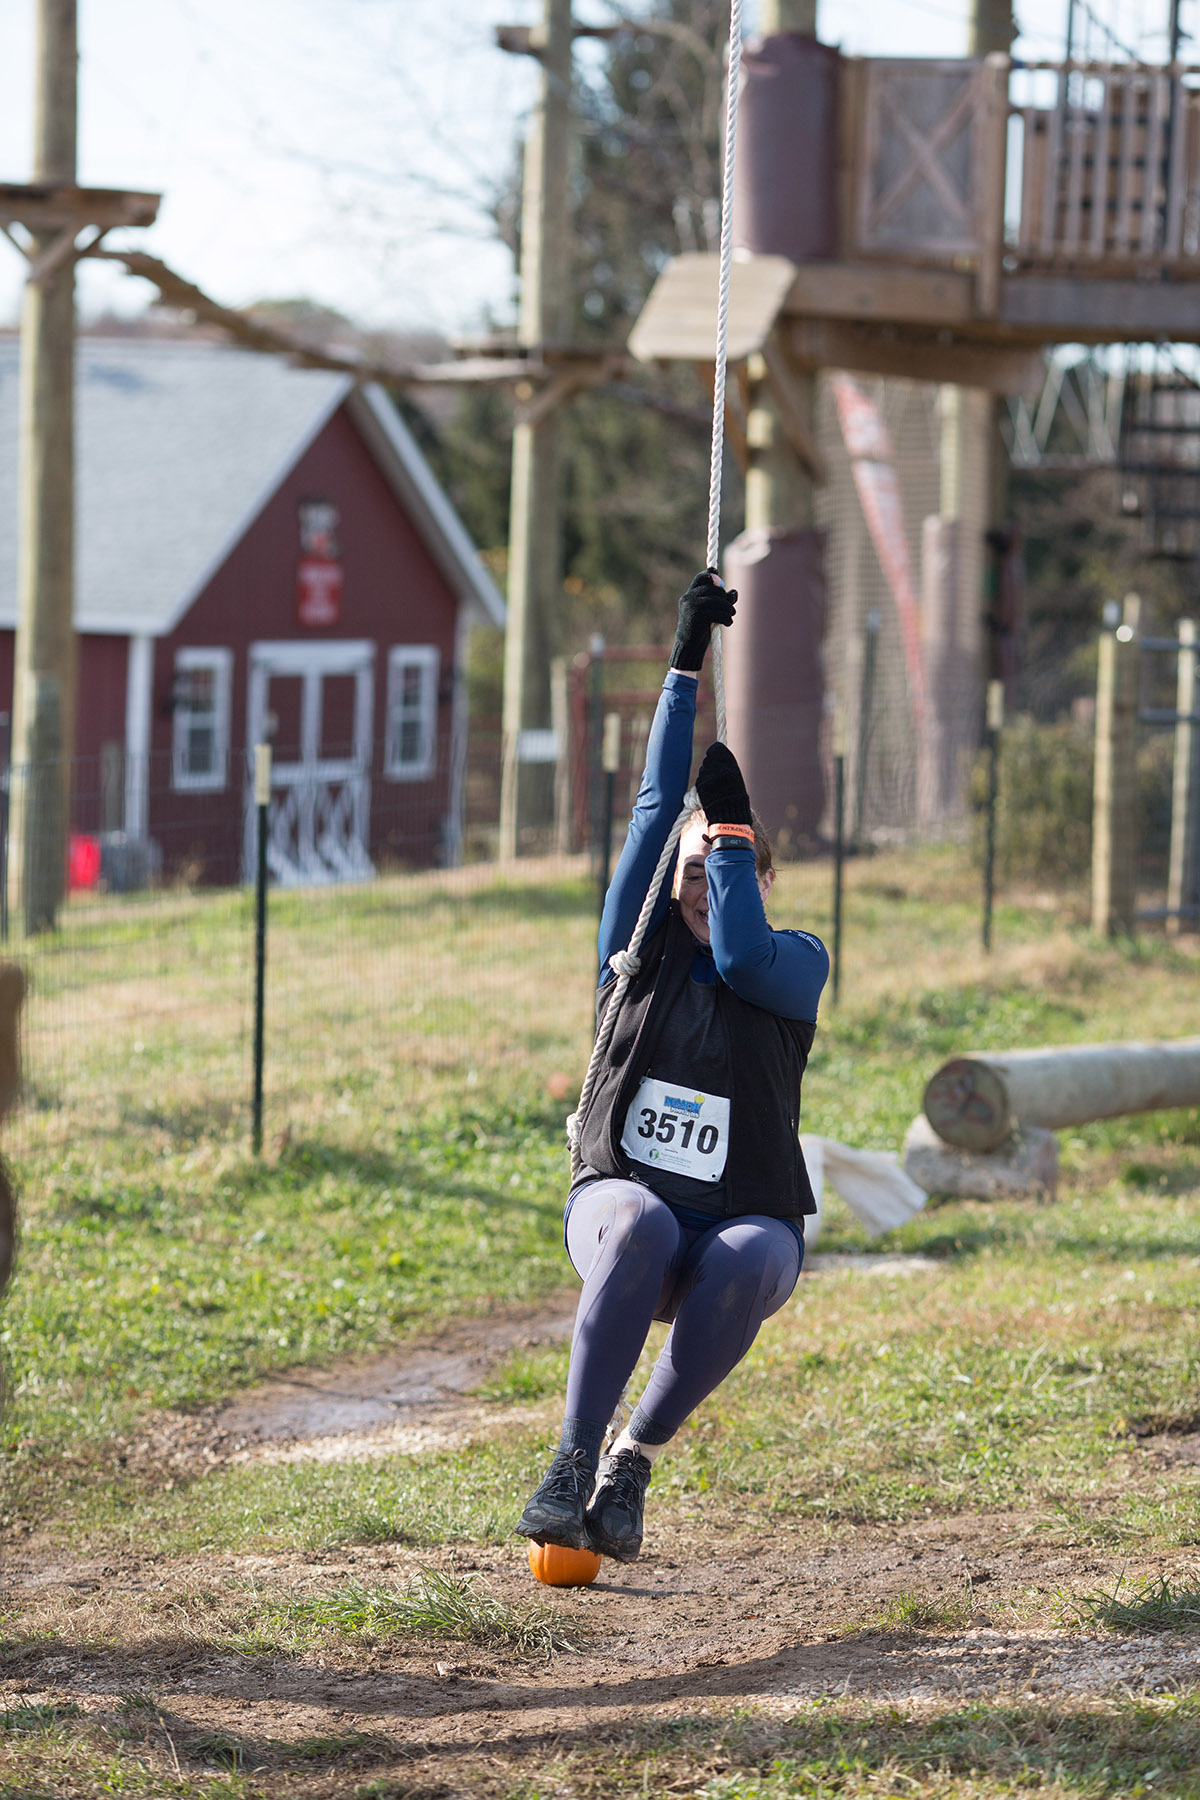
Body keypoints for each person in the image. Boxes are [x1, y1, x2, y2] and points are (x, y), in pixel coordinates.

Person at [515, 570, 829, 1564]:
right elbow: (658, 807)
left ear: (759, 877)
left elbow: (738, 952)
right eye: (691, 870)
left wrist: (730, 835)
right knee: (644, 1222)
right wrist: (683, 664)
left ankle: (631, 1463)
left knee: (746, 1258)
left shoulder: (795, 966)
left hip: (746, 1217)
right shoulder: (635, 951)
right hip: (626, 1201)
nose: (700, 882)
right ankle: (569, 1462)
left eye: (724, 869)